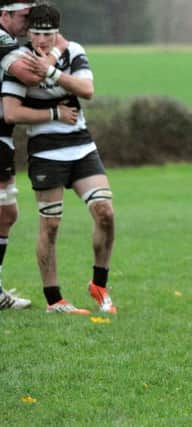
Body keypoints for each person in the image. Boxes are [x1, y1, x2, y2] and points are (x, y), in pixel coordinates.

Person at [1, 3, 116, 314]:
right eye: (36, 33)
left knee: (105, 212)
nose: (42, 40)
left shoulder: (73, 51)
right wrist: (54, 112)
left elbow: (87, 89)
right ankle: (55, 301)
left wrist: (52, 71)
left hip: (81, 147)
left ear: (57, 35)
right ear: (29, 34)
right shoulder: (20, 61)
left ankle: (99, 285)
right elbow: (11, 111)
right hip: (46, 152)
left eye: (48, 34)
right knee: (50, 225)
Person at [0, 0, 68, 310]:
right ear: (5, 15)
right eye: (26, 17)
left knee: (7, 213)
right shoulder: (2, 40)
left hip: (3, 138)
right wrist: (54, 53)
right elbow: (29, 76)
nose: (30, 25)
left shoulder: (13, 40)